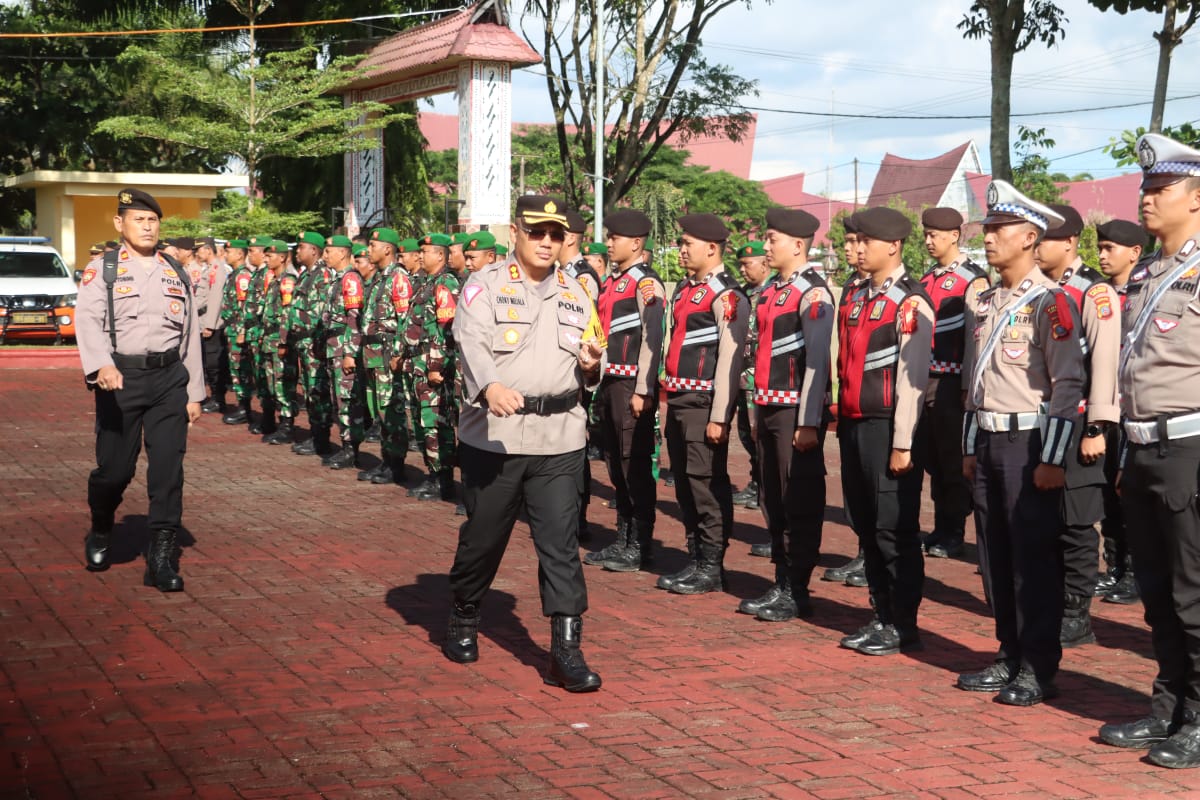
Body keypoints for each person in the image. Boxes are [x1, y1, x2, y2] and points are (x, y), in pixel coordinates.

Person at [443, 195, 605, 693]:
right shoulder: (484, 285)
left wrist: (591, 365)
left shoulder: (579, 292)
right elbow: (469, 341)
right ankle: (464, 613)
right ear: (516, 232)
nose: (547, 242)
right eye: (537, 232)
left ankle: (566, 651)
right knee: (484, 538)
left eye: (556, 235)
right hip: (497, 439)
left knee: (559, 545)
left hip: (559, 436)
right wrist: (489, 386)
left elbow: (592, 363)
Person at [957, 180, 1084, 706]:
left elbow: (1067, 385)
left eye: (999, 229)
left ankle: (1037, 667)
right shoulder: (985, 301)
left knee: (1034, 561)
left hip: (1029, 444)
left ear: (1030, 236)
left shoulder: (1051, 303)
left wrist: (1054, 458)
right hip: (988, 442)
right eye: (986, 229)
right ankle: (1007, 653)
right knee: (995, 557)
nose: (988, 238)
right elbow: (974, 380)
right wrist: (968, 446)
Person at [1098, 133, 1200, 767]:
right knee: (1158, 590)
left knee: (1195, 589)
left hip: (1191, 445)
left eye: (1160, 189)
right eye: (1145, 188)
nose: (1146, 199)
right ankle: (1170, 706)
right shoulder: (1148, 271)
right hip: (1142, 446)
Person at [75, 188, 204, 592]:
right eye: (139, 219)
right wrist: (102, 365)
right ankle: (100, 526)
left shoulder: (175, 270)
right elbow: (87, 320)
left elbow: (190, 336)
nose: (148, 227)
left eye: (153, 220)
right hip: (120, 380)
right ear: (120, 224)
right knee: (114, 471)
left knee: (168, 469)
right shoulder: (104, 269)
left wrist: (195, 391)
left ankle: (160, 557)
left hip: (168, 380)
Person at [836, 207, 935, 656]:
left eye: (865, 243)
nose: (855, 251)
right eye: (853, 242)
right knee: (867, 527)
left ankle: (902, 623)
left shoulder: (910, 301)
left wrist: (902, 443)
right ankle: (880, 614)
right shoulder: (856, 295)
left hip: (888, 427)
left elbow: (913, 381)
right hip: (855, 425)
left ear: (893, 246)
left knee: (894, 529)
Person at [736, 210, 834, 618]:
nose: (766, 245)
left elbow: (816, 363)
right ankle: (781, 580)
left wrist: (810, 421)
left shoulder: (812, 293)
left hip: (796, 411)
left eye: (772, 238)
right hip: (770, 406)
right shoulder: (775, 289)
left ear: (798, 245)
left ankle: (797, 589)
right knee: (773, 499)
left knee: (799, 502)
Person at [1035, 203, 1122, 648]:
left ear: (1069, 242)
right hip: (1044, 420)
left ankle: (1077, 613)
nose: (1036, 245)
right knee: (1047, 519)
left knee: (1077, 521)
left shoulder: (1093, 291)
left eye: (1044, 238)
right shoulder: (1038, 290)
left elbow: (1105, 358)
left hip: (1079, 420)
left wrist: (1096, 428)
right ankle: (1053, 603)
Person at [583, 209, 666, 571]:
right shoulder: (613, 282)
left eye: (615, 237)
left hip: (631, 384)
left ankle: (640, 544)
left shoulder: (645, 283)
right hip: (609, 382)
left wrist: (644, 389)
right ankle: (623, 538)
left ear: (636, 243)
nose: (609, 242)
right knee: (616, 464)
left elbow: (653, 337)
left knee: (635, 466)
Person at [915, 208, 989, 559]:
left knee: (952, 458)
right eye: (926, 234)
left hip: (952, 380)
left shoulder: (972, 279)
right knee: (931, 455)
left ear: (955, 235)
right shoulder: (928, 277)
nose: (929, 241)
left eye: (935, 235)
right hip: (925, 378)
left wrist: (968, 382)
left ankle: (954, 530)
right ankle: (941, 525)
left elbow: (976, 335)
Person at [1092, 218, 1146, 606]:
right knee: (1108, 491)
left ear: (1135, 252)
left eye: (1111, 248)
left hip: (1136, 409)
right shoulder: (1097, 295)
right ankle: (1115, 568)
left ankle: (1135, 573)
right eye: (1101, 248)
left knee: (1130, 494)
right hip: (1106, 408)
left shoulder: (1144, 293)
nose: (1102, 255)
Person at [824, 214, 870, 586]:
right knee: (853, 485)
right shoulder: (853, 286)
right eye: (848, 243)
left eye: (857, 242)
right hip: (850, 398)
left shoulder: (893, 291)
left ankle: (873, 558)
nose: (851, 249)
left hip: (875, 404)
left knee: (874, 489)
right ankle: (862, 550)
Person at [403, 233, 460, 501]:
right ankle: (433, 473)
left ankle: (442, 479)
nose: (420, 255)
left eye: (425, 252)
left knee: (436, 423)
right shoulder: (425, 283)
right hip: (418, 365)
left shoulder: (445, 283)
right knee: (423, 422)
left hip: (433, 366)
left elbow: (447, 329)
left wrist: (437, 365)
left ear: (440, 255)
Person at [357, 228, 413, 486]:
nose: (368, 250)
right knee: (378, 410)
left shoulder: (398, 278)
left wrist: (400, 353)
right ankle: (386, 459)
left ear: (387, 249)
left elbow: (405, 320)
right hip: (373, 355)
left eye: (373, 245)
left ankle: (396, 464)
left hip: (388, 354)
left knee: (392, 410)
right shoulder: (379, 278)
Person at [733, 240, 773, 516]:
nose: (743, 270)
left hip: (759, 376)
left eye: (748, 264)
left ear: (764, 263)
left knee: (760, 434)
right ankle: (756, 480)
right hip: (741, 374)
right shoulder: (743, 293)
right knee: (746, 433)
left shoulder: (771, 292)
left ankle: (764, 486)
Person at [327, 243, 372, 470]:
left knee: (347, 400)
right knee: (339, 399)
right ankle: (346, 445)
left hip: (343, 348)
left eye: (329, 250)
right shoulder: (339, 278)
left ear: (342, 253)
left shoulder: (350, 279)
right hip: (333, 347)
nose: (326, 255)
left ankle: (350, 449)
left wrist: (349, 353)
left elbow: (354, 318)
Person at [219, 240, 255, 425]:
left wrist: (241, 331)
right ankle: (243, 406)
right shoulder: (234, 274)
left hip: (237, 330)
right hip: (232, 329)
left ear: (240, 254)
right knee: (236, 369)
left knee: (241, 369)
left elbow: (243, 307)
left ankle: (244, 408)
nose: (226, 254)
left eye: (229, 251)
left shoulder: (242, 276)